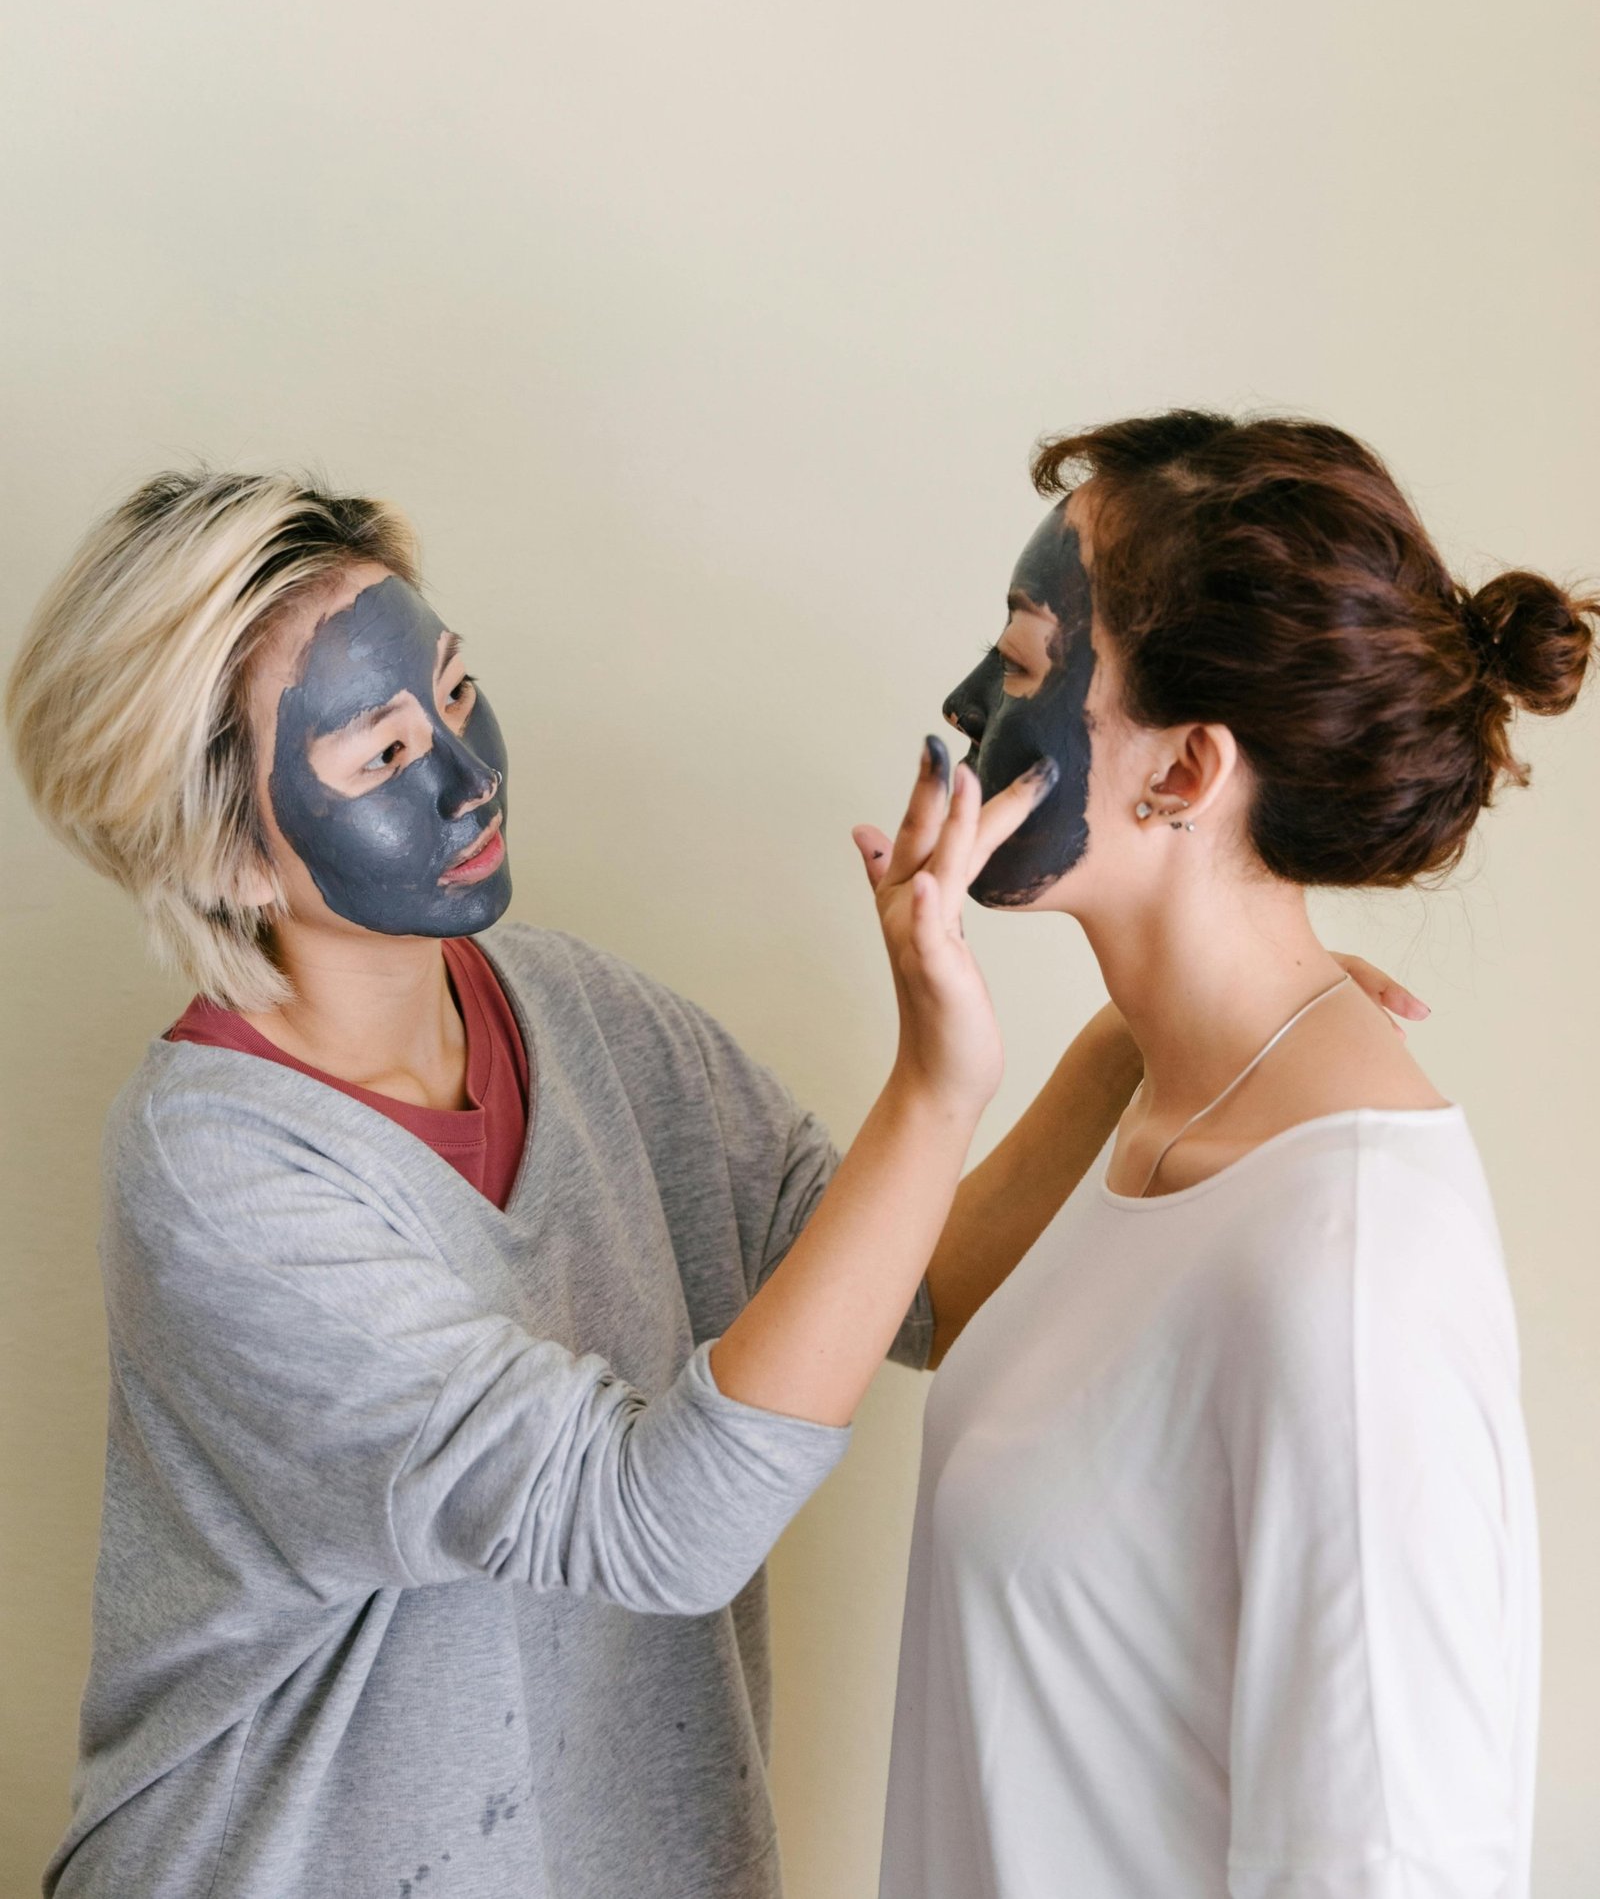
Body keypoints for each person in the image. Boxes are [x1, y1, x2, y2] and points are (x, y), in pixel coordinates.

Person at [6, 467, 1416, 1899]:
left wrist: (1138, 1034)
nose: (468, 773)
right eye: (382, 755)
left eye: (458, 688)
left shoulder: (579, 1011)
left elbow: (901, 1291)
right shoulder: (215, 1177)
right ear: (230, 853)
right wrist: (934, 1081)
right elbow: (656, 1521)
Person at [878, 411, 1597, 1899]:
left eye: (1025, 663)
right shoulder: (1164, 1112)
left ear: (1188, 769)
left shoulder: (1350, 1258)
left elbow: (1397, 1868)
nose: (967, 702)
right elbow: (909, 1302)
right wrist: (1080, 1051)